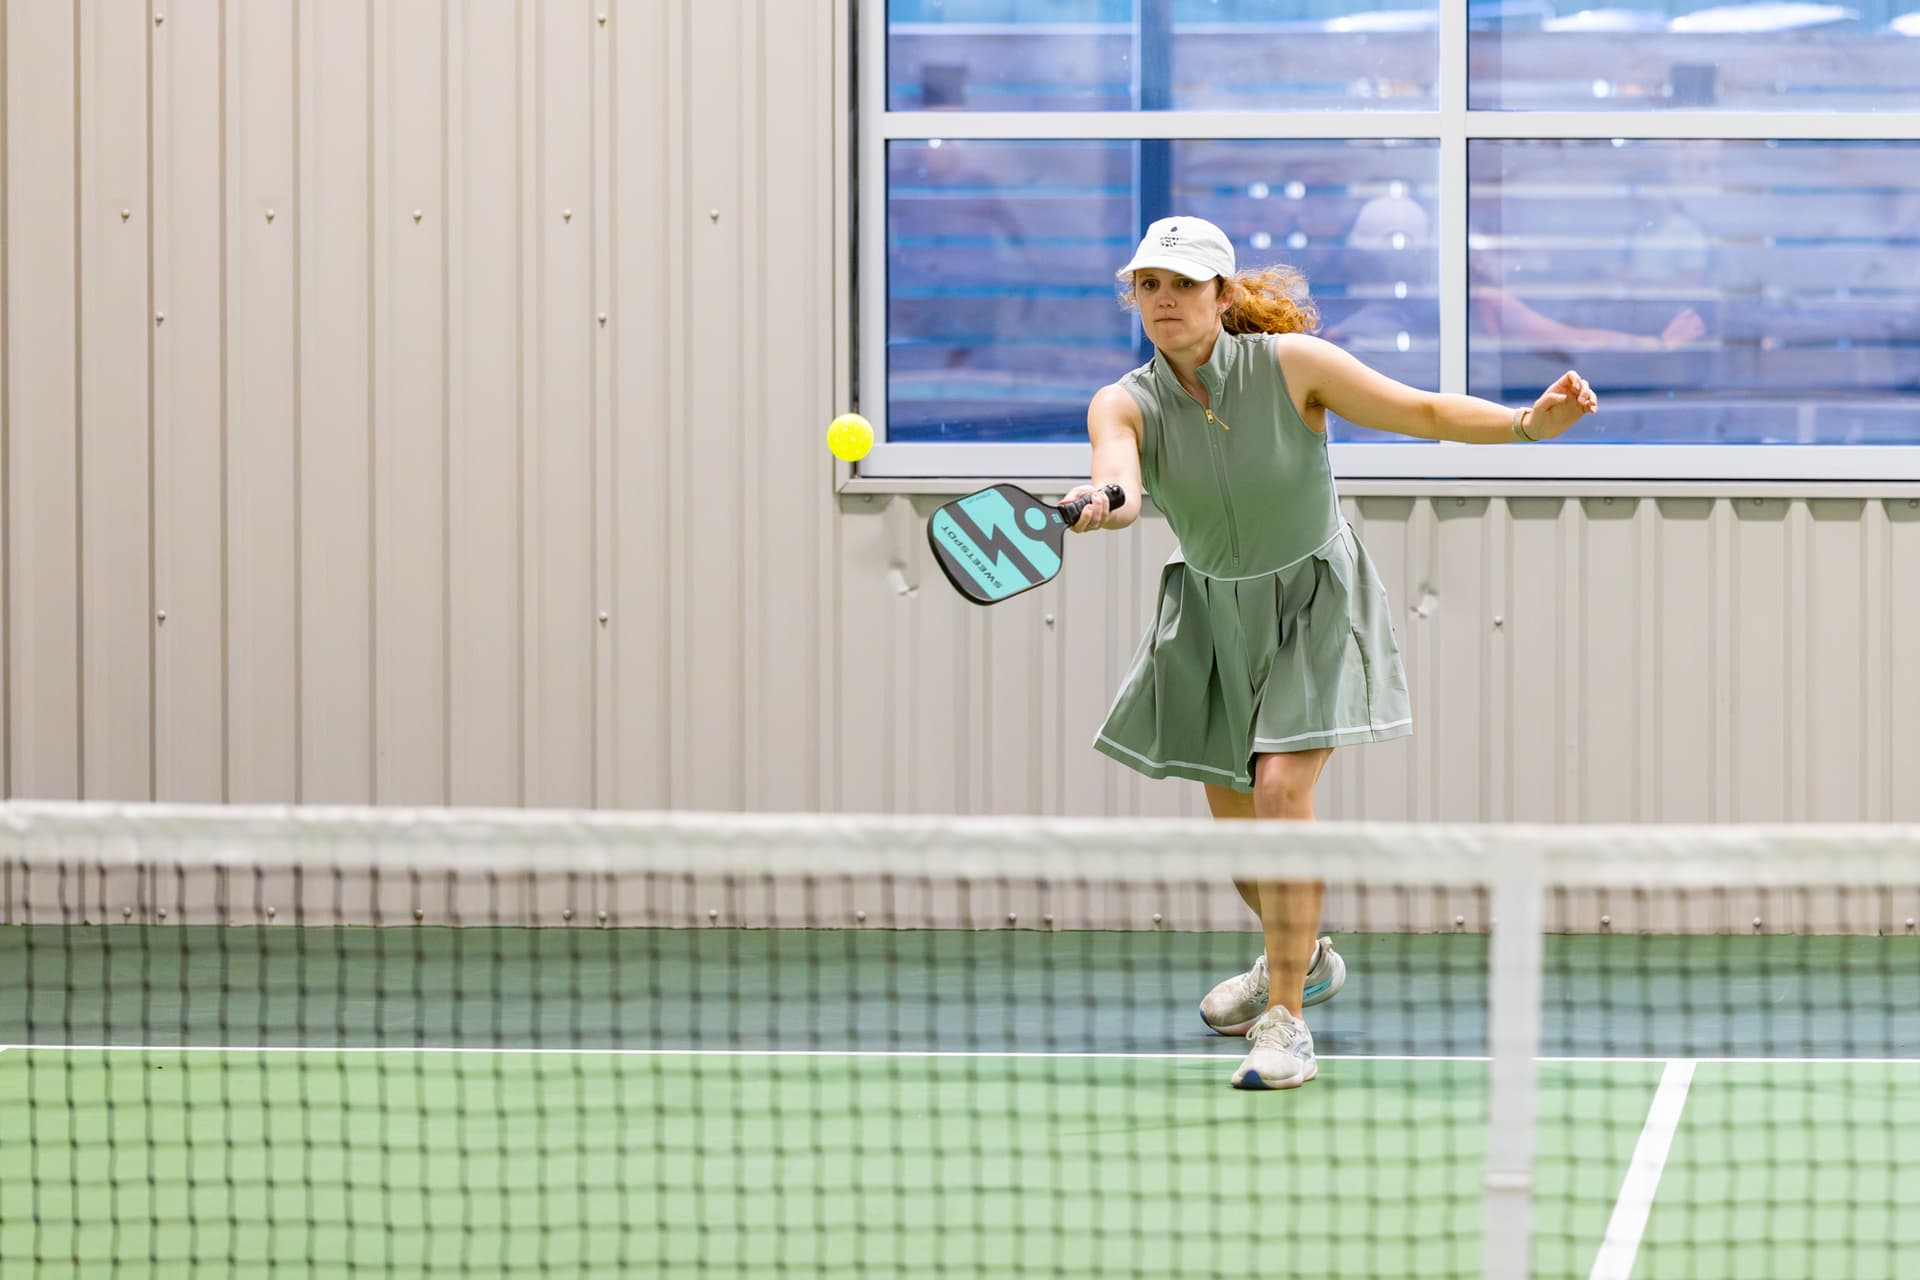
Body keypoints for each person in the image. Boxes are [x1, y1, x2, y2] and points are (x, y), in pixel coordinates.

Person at [1064, 216, 1597, 1090]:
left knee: (1281, 790)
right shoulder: (1123, 400)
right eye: (1149, 285)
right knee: (1243, 839)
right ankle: (1302, 953)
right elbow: (1119, 484)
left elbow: (1421, 410)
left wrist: (1529, 425)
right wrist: (1102, 498)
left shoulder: (1291, 368)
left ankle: (1285, 1020)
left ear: (1222, 296)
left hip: (1312, 595)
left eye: (1184, 284)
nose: (1164, 300)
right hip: (1208, 613)